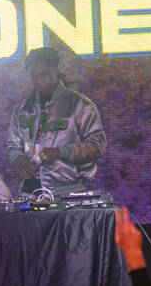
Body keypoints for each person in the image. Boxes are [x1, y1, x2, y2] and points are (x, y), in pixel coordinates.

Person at [6, 47, 106, 195]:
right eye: (33, 76)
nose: (39, 81)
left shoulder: (80, 105)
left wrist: (60, 152)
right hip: (29, 191)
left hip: (69, 191)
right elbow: (12, 146)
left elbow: (97, 146)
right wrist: (18, 158)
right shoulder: (21, 110)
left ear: (56, 70)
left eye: (44, 75)